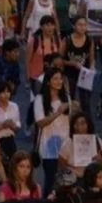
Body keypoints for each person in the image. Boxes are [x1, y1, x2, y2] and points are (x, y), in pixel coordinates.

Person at [34, 67, 75, 196]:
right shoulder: (40, 99)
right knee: (51, 179)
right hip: (48, 146)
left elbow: (70, 120)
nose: (59, 81)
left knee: (65, 178)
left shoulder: (66, 97)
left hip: (65, 144)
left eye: (60, 79)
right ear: (48, 81)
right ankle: (46, 202)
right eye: (55, 79)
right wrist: (58, 113)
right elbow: (40, 123)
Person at [58, 112, 102, 178]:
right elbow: (62, 165)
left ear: (88, 125)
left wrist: (101, 162)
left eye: (83, 123)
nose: (79, 127)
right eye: (76, 124)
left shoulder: (96, 140)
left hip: (95, 178)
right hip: (76, 179)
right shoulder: (67, 144)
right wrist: (72, 172)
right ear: (73, 126)